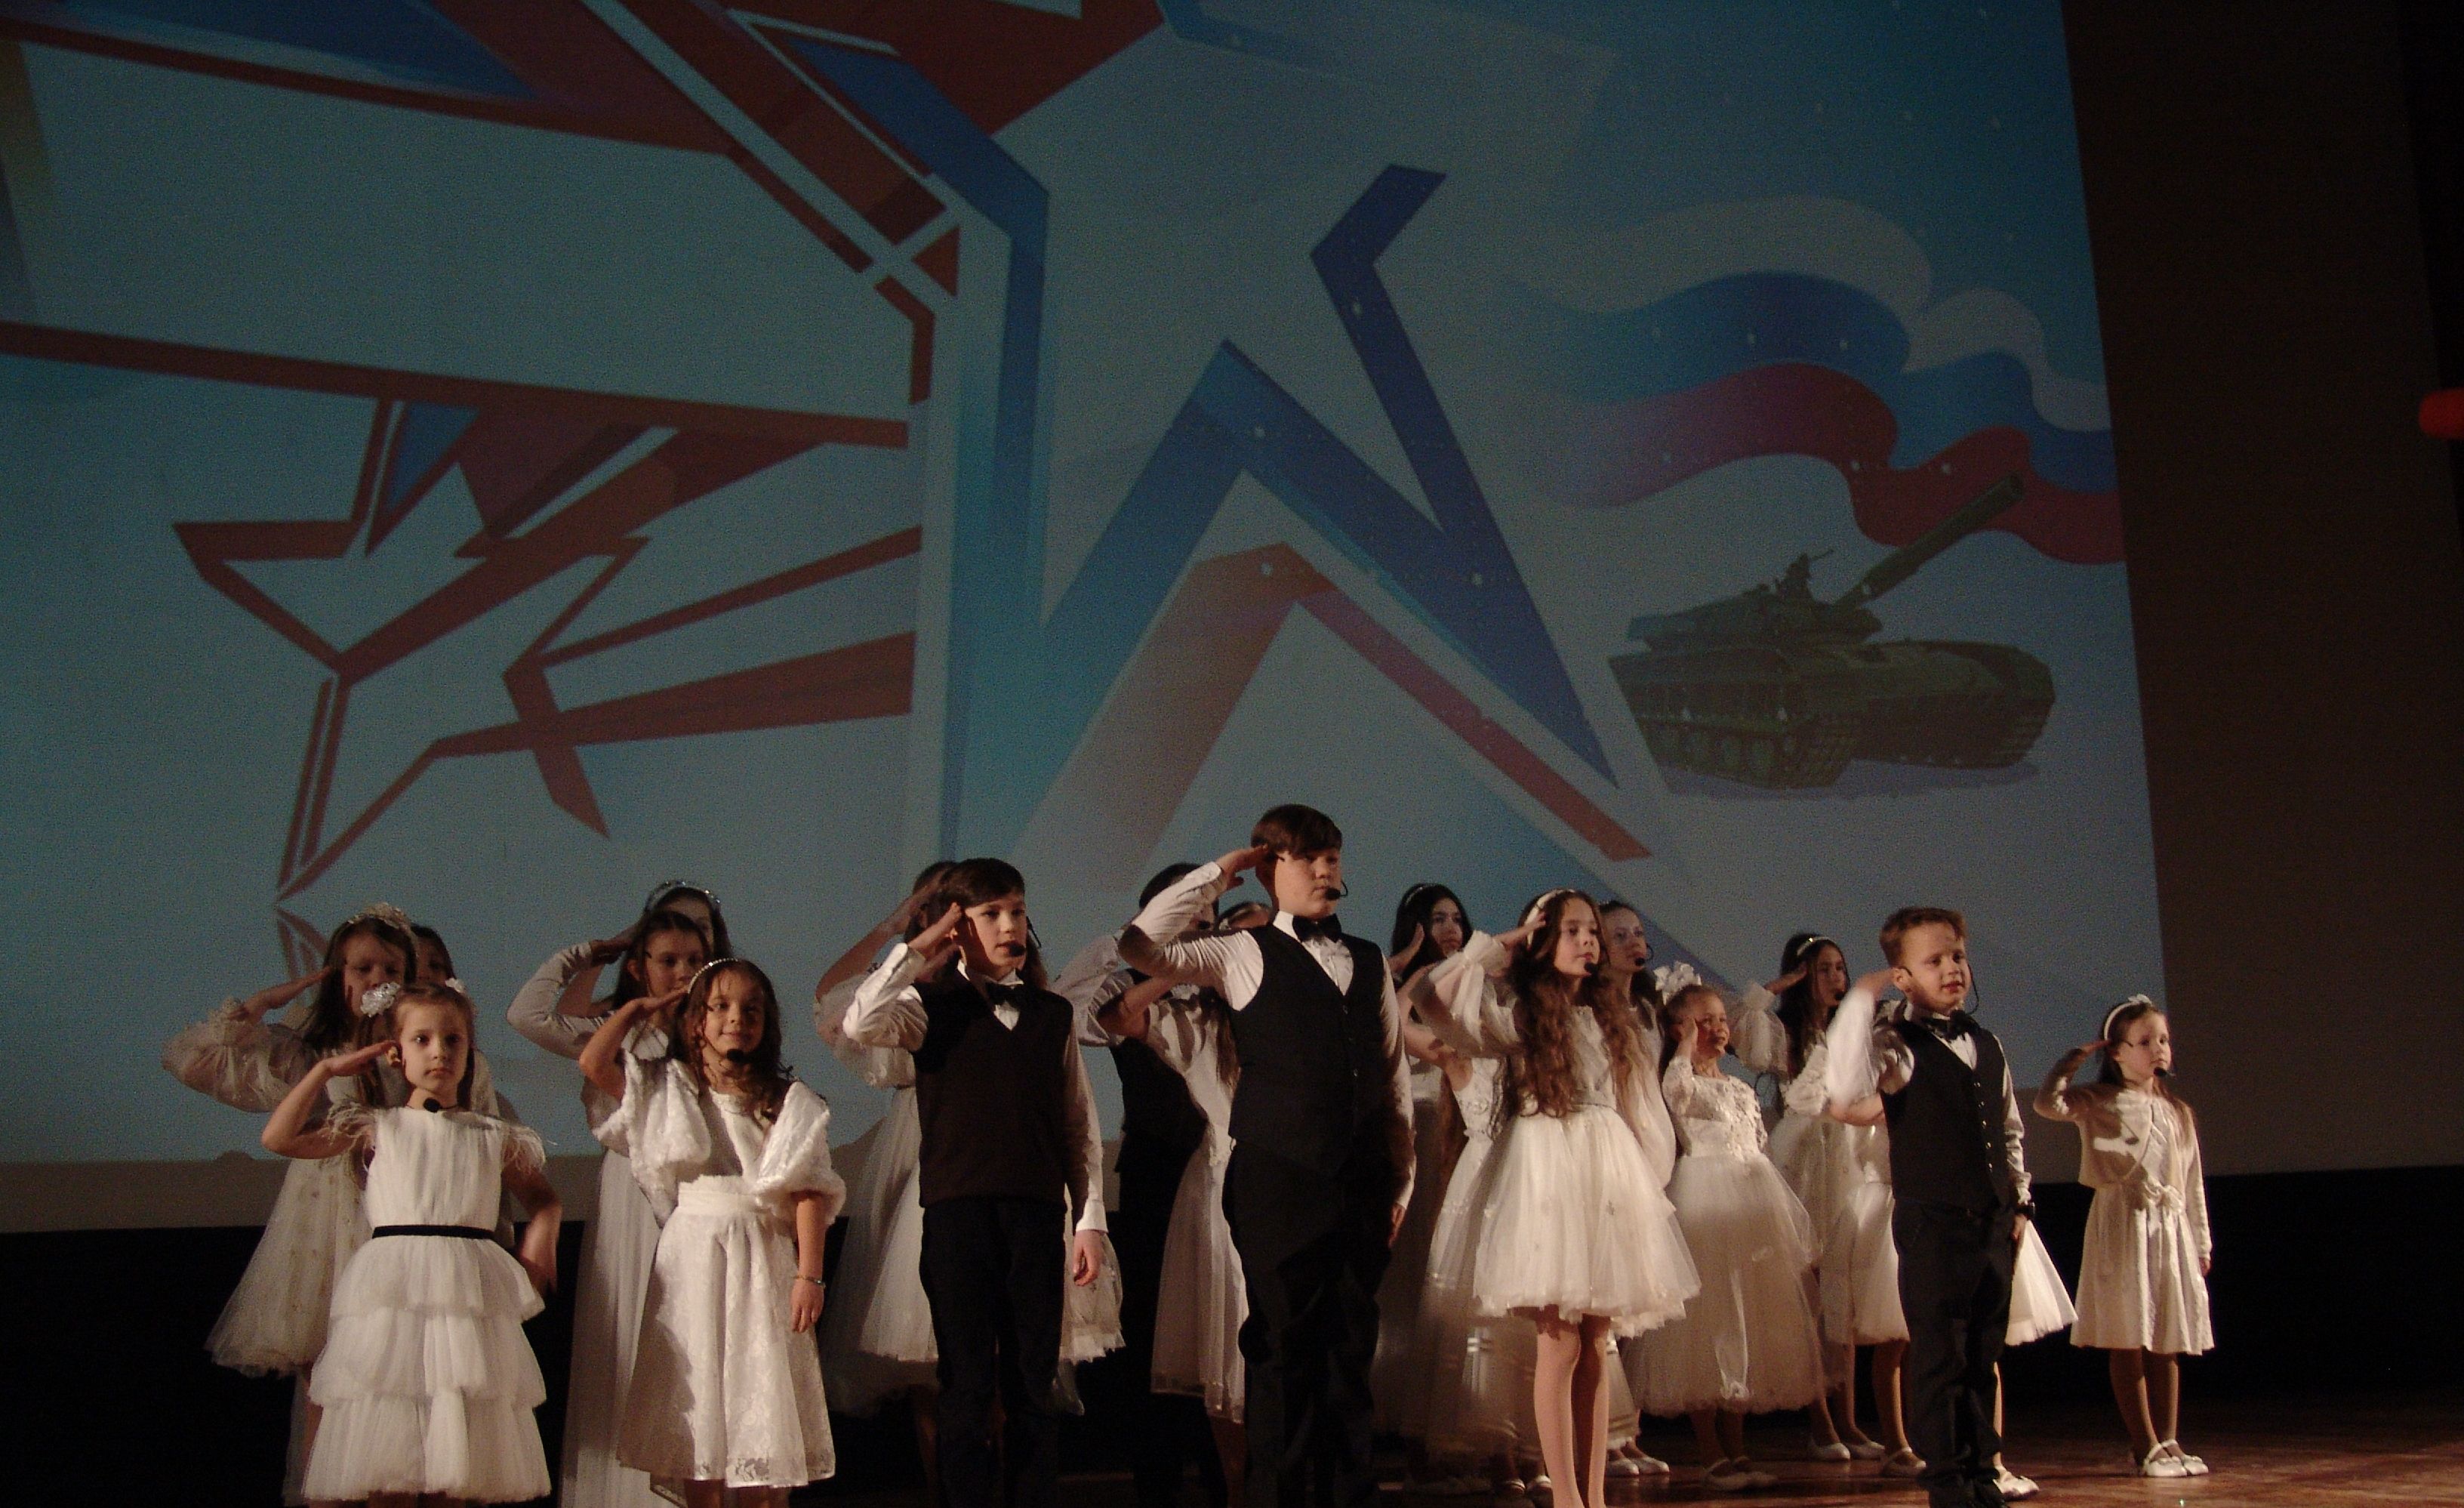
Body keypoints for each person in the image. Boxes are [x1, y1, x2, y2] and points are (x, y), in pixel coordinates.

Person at [1116, 805, 1415, 1508]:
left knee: (1350, 1352)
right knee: (1282, 1350)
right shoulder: (1240, 951)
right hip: (1279, 1177)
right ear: (1271, 866)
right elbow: (1141, 945)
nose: (1325, 871)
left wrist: (1401, 1182)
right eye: (1309, 858)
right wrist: (1221, 871)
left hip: (1360, 1178)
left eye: (1333, 857)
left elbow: (1392, 1073)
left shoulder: (1367, 957)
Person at [1409, 890, 1698, 1508]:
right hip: (1546, 1174)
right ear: (1543, 941)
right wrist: (1502, 944)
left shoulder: (1610, 1016)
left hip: (1605, 1175)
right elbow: (1431, 997)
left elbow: (1643, 1108)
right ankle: (1566, 1496)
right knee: (1560, 1342)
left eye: (1592, 930)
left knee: (1595, 1345)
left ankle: (1593, 1494)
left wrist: (1647, 1189)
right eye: (1572, 930)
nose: (1589, 940)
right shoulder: (1517, 1015)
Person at [846, 858, 1109, 1508]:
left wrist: (1089, 1219)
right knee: (965, 1382)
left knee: (1033, 1383)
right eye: (991, 913)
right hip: (958, 1215)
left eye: (1017, 911)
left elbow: (1078, 1123)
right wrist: (920, 948)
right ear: (960, 927)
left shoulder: (1051, 1014)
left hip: (1036, 1213)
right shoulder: (928, 1008)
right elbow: (860, 1021)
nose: (1009, 925)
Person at [262, 979, 562, 1504]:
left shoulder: (492, 1135)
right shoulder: (378, 1127)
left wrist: (541, 1245)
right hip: (396, 1293)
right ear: (396, 1053)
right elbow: (279, 1138)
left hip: (463, 1296)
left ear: (470, 1051)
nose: (439, 1051)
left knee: (458, 1449)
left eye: (453, 1039)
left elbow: (544, 1200)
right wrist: (326, 1071)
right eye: (422, 1039)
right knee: (390, 1451)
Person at [583, 958, 842, 1503]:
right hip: (693, 1260)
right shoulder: (667, 1090)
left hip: (761, 1256)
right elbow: (594, 1061)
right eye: (720, 1006)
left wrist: (810, 1275)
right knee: (700, 1413)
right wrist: (638, 1009)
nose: (736, 1019)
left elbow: (808, 1191)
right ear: (695, 1019)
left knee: (760, 1404)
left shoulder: (785, 1101)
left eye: (751, 1009)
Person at [507, 894, 720, 1508]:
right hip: (633, 1192)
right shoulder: (614, 1030)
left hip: (700, 1194)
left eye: (694, 959)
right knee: (632, 1331)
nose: (682, 972)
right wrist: (592, 952)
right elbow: (526, 1015)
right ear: (639, 965)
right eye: (668, 959)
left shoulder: (717, 1029)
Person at [1825, 908, 2033, 1508]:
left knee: (1982, 1356)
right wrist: (1861, 1003)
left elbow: (2008, 1130)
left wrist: (2019, 1202)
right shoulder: (1898, 1046)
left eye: (1957, 956)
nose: (1951, 968)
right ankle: (1948, 1482)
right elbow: (1845, 1093)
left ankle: (1982, 1474)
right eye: (1933, 960)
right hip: (1934, 1221)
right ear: (1903, 976)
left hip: (1992, 1220)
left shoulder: (1986, 1042)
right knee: (1940, 1357)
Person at [1638, 982, 1825, 1492]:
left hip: (1750, 1204)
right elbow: (1675, 1092)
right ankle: (1710, 1452)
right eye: (1704, 1020)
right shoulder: (1682, 1081)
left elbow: (1757, 1145)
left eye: (1721, 1019)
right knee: (1710, 1322)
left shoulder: (1740, 1088)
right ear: (1680, 1028)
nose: (1718, 1028)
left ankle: (1738, 1447)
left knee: (1748, 1320)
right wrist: (1682, 1046)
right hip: (1705, 1201)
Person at [1095, 938, 1250, 1499]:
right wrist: (1180, 968)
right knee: (1213, 1343)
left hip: (1276, 1184)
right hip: (1203, 1183)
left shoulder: (1283, 1014)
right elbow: (1113, 1019)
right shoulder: (1193, 1020)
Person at [1736, 934, 1898, 1464]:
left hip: (1848, 1156)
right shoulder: (1785, 1033)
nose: (1835, 978)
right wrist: (1776, 987)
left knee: (1842, 1298)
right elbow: (1743, 1032)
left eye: (1840, 968)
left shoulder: (1857, 1032)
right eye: (1823, 969)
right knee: (1810, 1298)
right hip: (1806, 1159)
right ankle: (1820, 1422)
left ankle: (1848, 1419)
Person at [2037, 997, 2212, 1480]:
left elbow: (2191, 1182)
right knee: (2128, 1335)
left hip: (2168, 1227)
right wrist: (2070, 1062)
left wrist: (2200, 1242)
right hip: (2123, 1223)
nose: (2158, 1049)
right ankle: (2145, 1444)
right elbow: (2048, 1104)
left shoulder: (2178, 1112)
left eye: (2164, 1040)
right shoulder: (2099, 1101)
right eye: (2145, 1041)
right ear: (2117, 1052)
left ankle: (2169, 1439)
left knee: (2167, 1337)